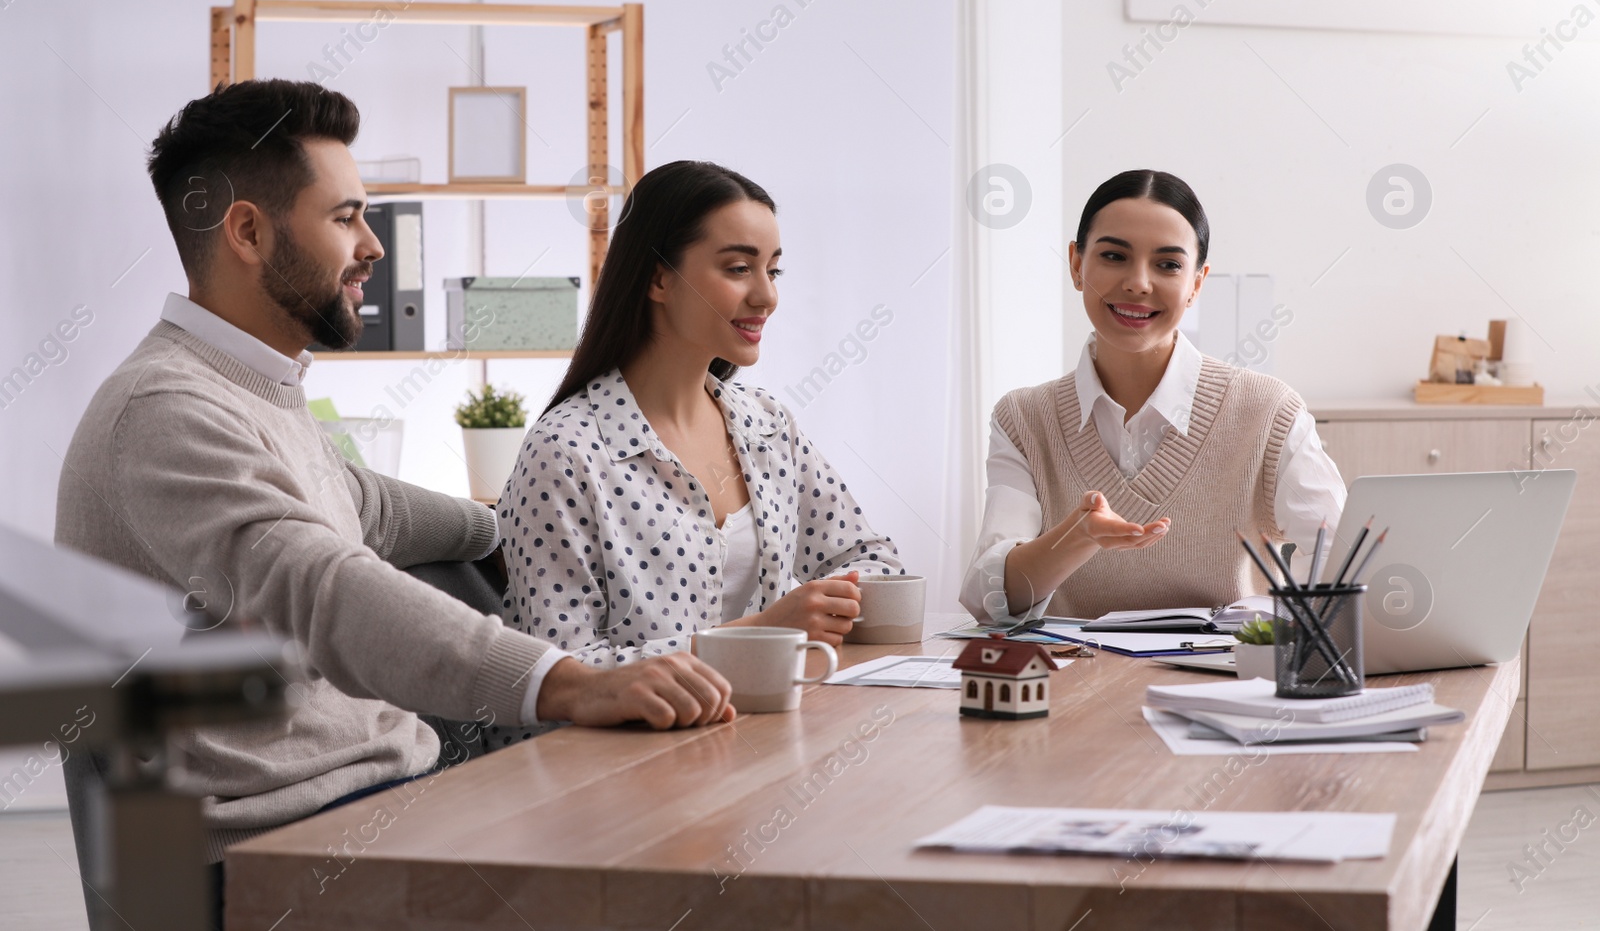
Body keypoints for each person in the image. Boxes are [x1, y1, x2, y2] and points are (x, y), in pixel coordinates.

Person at [54, 80, 734, 914]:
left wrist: (518, 523)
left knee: (672, 808)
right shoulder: (165, 412)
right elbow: (318, 582)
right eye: (346, 217)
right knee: (648, 874)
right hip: (275, 843)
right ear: (247, 231)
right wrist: (567, 679)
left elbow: (359, 504)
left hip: (375, 788)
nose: (373, 245)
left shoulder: (251, 388)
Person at [489, 160, 903, 745]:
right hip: (614, 772)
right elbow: (560, 676)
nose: (767, 296)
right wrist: (760, 633)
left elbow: (871, 559)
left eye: (773, 270)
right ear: (658, 279)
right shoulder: (567, 451)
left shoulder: (766, 426)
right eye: (738, 268)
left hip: (759, 742)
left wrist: (831, 605)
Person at [958, 169, 1345, 624]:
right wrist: (1078, 537)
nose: (1139, 283)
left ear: (1197, 283)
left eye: (1168, 265)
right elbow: (989, 599)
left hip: (1219, 684)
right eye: (1114, 256)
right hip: (1075, 686)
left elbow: (1338, 564)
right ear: (1077, 265)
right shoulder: (1023, 419)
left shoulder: (1267, 412)